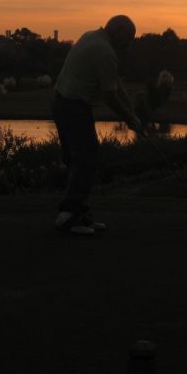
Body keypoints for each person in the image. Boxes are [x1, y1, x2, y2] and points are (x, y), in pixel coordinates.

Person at [52, 15, 144, 235]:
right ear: (118, 31)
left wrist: (132, 114)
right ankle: (69, 217)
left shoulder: (92, 36)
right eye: (128, 38)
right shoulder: (105, 52)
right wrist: (130, 120)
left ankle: (80, 215)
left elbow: (115, 83)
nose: (129, 43)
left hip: (62, 103)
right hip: (73, 106)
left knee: (78, 159)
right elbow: (109, 96)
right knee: (86, 157)